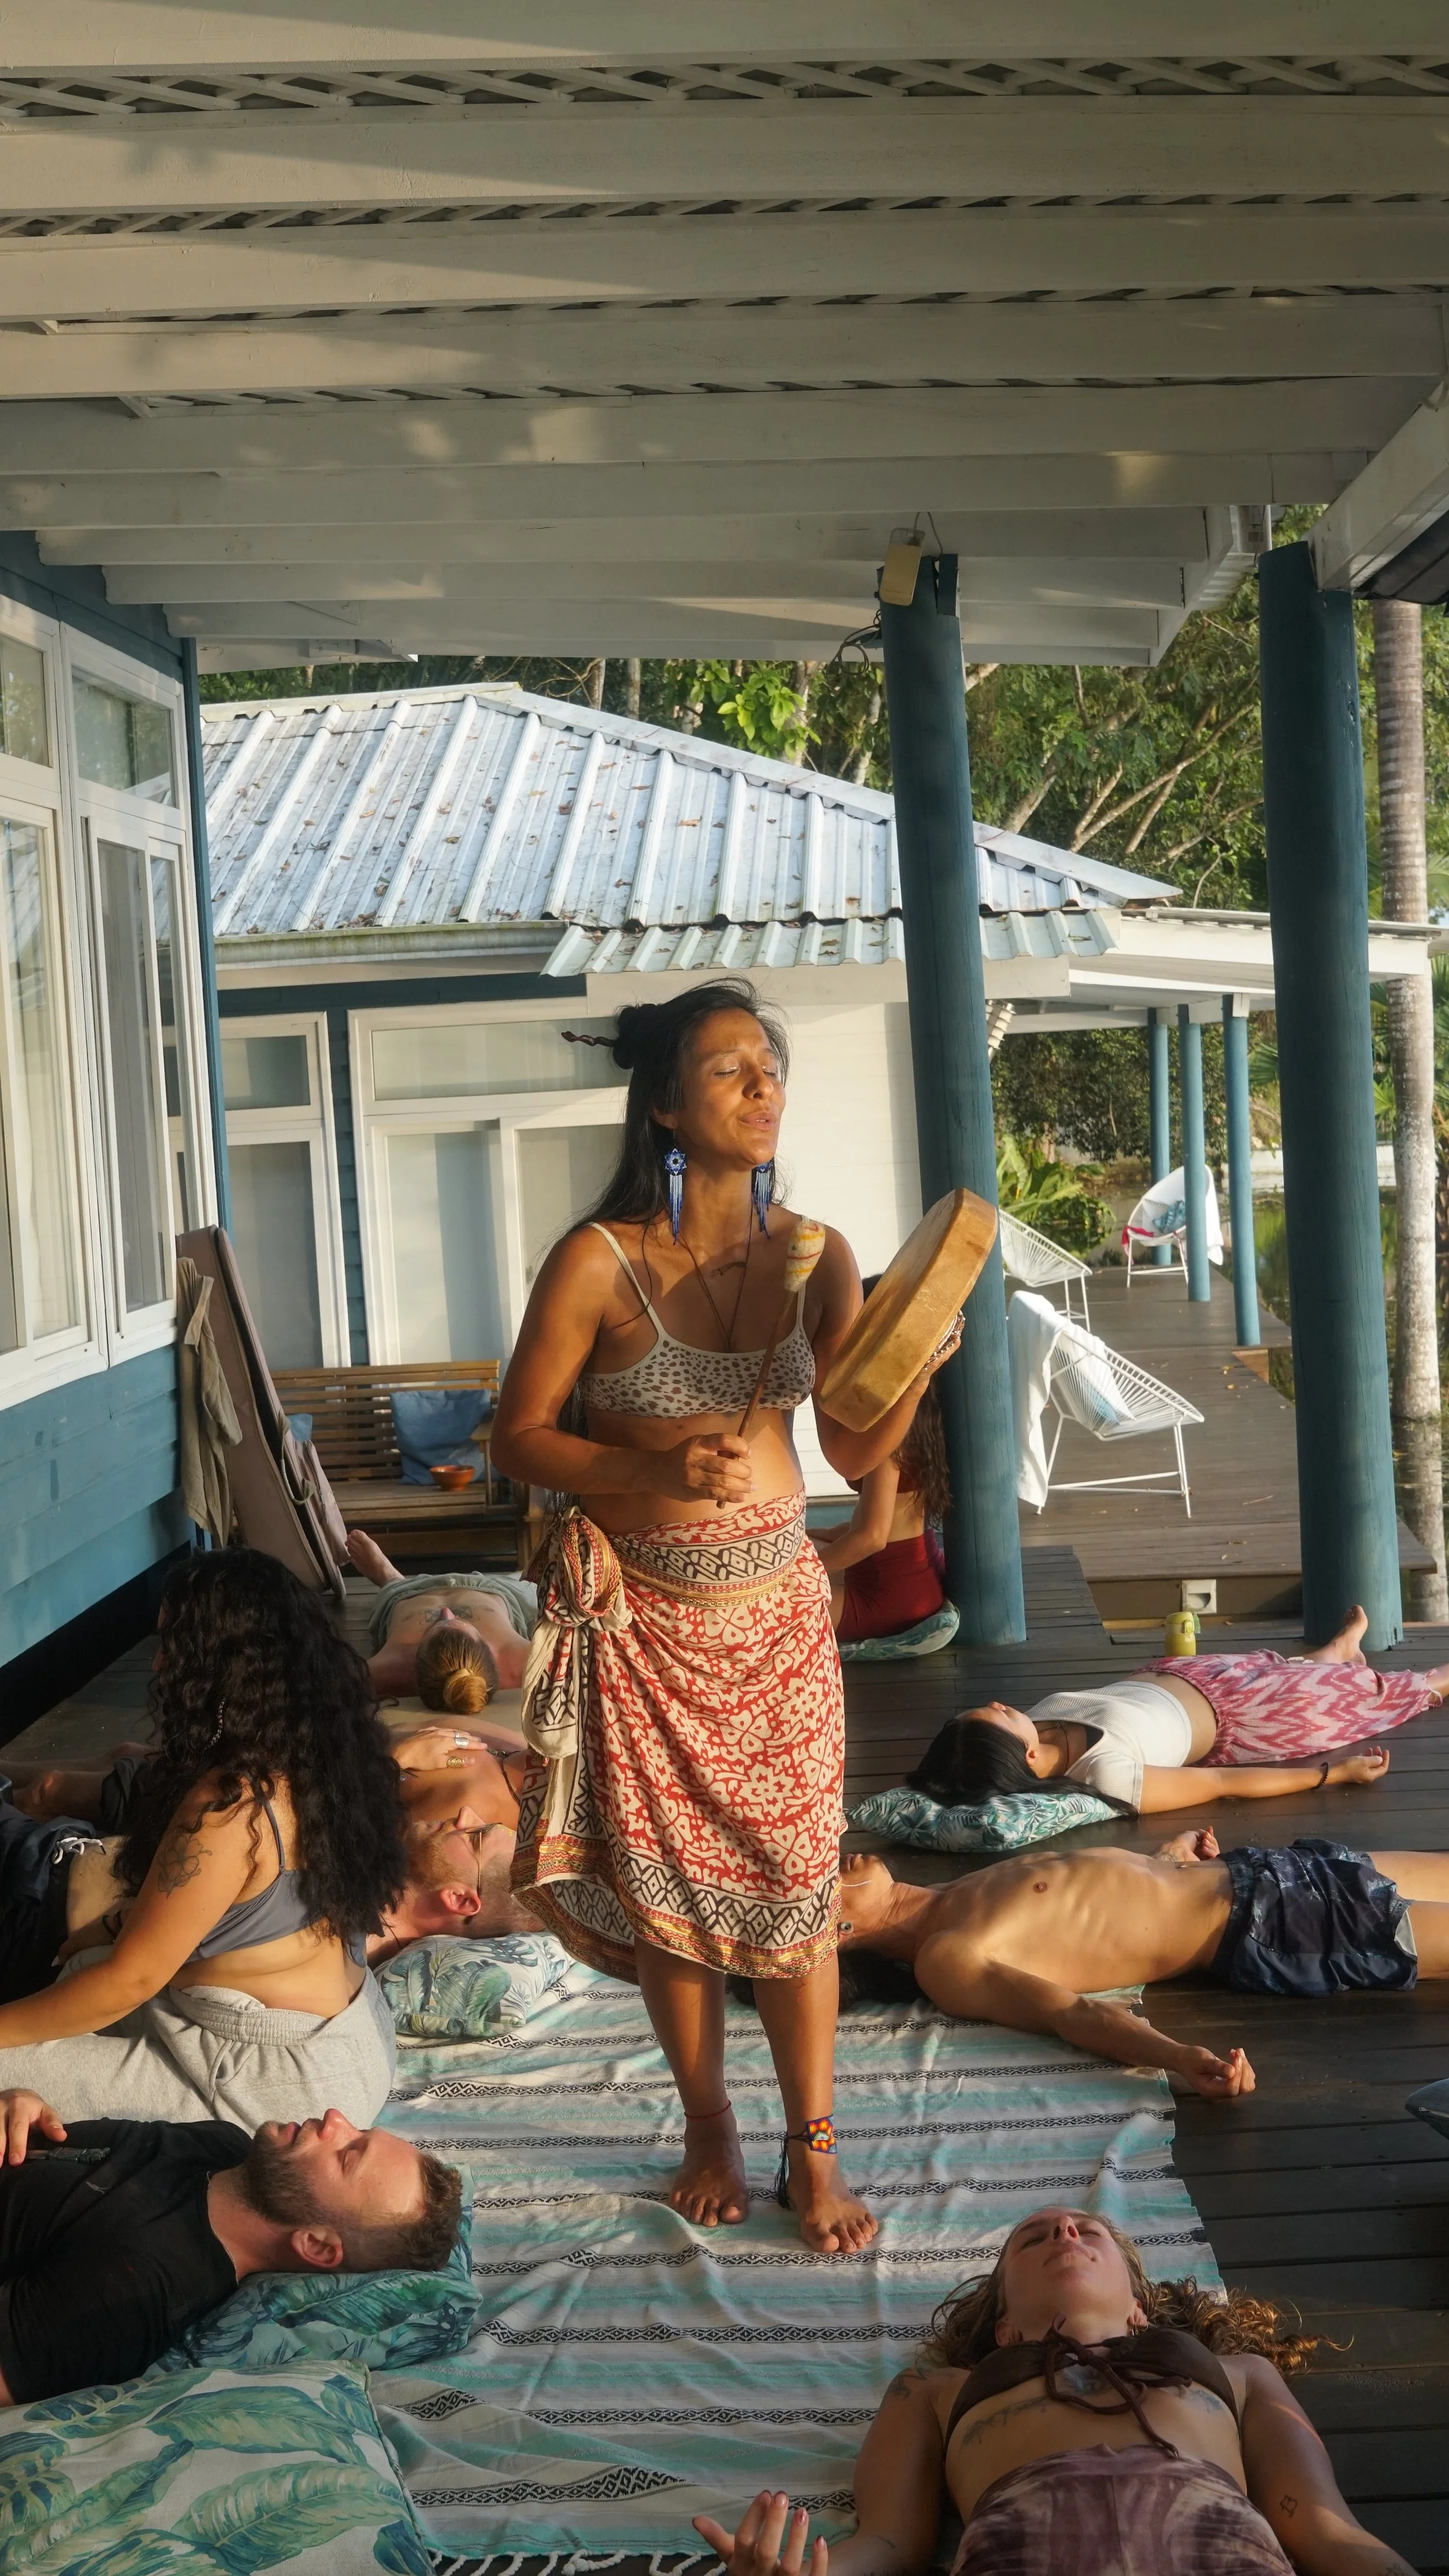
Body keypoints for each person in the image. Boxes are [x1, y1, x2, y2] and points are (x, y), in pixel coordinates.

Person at [490, 979, 957, 2255]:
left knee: (797, 1886)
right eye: (730, 1069)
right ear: (663, 1104)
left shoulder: (818, 1254)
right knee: (671, 1893)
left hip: (778, 1621)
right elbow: (518, 1436)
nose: (764, 1088)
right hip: (645, 1626)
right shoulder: (597, 1260)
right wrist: (647, 1466)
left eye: (771, 1066)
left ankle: (815, 2145)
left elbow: (854, 1446)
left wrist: (913, 1367)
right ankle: (710, 2128)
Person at [693, 2206, 1415, 2575]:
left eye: (1086, 2230)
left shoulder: (1242, 2374)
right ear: (1003, 2325)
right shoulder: (933, 2390)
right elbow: (888, 2542)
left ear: (1140, 2307)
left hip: (1216, 2546)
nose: (1065, 2230)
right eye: (1033, 2237)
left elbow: (1324, 2529)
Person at [0, 1549, 406, 2129]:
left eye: (174, 1646)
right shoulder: (334, 1760)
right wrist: (114, 1927)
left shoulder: (233, 1805)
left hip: (272, 2083)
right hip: (350, 2044)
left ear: (223, 1667)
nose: (160, 1664)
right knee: (84, 1961)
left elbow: (129, 1982)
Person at [833, 1832, 1449, 2097]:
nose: (835, 1860)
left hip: (1261, 1868)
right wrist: (1177, 2057)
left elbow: (1099, 1905)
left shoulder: (949, 1894)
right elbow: (1069, 2014)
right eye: (827, 1880)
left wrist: (1167, 1858)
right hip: (1271, 1921)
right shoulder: (945, 1957)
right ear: (836, 1931)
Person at [0, 2086, 460, 2405]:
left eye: (347, 2154)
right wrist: (20, 2106)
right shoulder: (223, 2146)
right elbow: (44, 2145)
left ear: (317, 2246)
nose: (335, 2119)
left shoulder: (138, 2293)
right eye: (358, 2130)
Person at [911, 1603, 1445, 1815]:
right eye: (998, 1714)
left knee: (1282, 1665)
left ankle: (1335, 1654)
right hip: (1244, 1719)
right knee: (1372, 1695)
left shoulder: (1040, 1721)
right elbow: (1220, 1785)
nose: (1000, 1702)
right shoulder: (1106, 1774)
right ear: (1025, 1757)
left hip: (1194, 1675)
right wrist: (1333, 1774)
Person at [814, 1345, 950, 1644]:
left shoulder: (889, 1441)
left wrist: (803, 1573)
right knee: (807, 1547)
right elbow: (884, 1526)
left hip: (889, 1596)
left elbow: (872, 1537)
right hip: (914, 1578)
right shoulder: (920, 1426)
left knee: (771, 1605)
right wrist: (818, 1535)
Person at [347, 1529, 536, 1710]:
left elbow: (336, 1684)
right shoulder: (519, 1663)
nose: (446, 1612)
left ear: (416, 1658)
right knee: (533, 1583)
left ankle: (390, 1576)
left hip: (408, 1592)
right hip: (497, 1589)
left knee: (392, 1584)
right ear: (486, 1646)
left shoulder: (393, 1667)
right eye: (460, 1621)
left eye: (434, 1627)